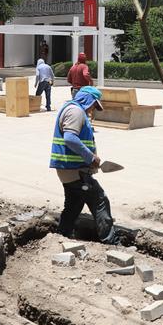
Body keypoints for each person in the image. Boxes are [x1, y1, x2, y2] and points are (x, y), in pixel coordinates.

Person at [49, 86, 117, 244]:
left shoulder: (73, 110)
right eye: (93, 104)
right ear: (87, 100)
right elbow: (70, 138)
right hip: (76, 171)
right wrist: (90, 157)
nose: (93, 109)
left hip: (70, 171)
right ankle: (111, 242)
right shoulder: (76, 111)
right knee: (100, 200)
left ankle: (62, 235)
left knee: (74, 204)